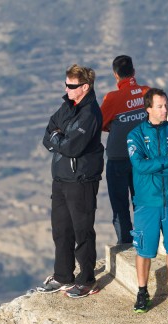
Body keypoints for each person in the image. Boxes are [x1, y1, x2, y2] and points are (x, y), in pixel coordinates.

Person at [36, 64, 104, 298]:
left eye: (71, 85)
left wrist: (58, 138)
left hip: (81, 180)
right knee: (61, 229)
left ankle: (87, 280)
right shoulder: (67, 106)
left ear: (84, 87)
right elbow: (48, 134)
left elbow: (73, 147)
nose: (66, 88)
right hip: (61, 178)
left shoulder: (90, 113)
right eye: (66, 84)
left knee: (82, 230)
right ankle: (63, 275)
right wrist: (59, 137)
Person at [127, 88, 168, 313]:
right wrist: (167, 160)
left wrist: (156, 165)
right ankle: (142, 292)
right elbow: (139, 166)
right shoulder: (135, 135)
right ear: (148, 109)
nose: (165, 110)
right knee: (144, 250)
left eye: (166, 105)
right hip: (147, 202)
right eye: (160, 106)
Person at [101, 55, 150, 244]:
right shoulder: (147, 92)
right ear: (134, 72)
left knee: (120, 207)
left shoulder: (112, 98)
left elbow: (101, 124)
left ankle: (126, 247)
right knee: (144, 203)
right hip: (144, 158)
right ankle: (146, 244)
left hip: (119, 158)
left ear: (115, 75)